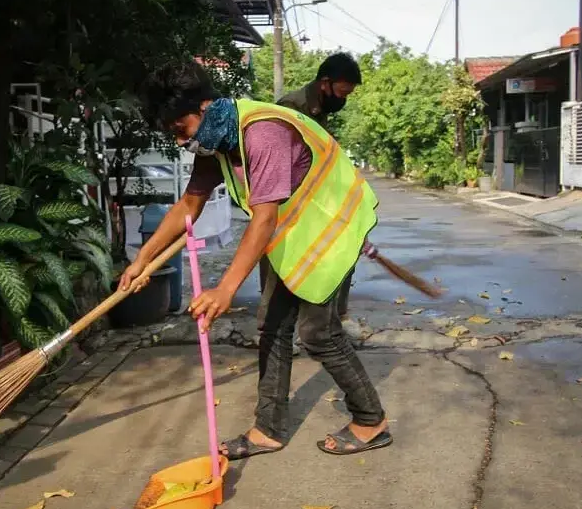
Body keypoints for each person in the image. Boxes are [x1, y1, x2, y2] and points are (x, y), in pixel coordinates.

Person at [120, 60, 391, 459]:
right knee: (272, 327)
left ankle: (371, 421)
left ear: (205, 107)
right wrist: (143, 257)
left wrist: (224, 289)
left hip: (332, 229)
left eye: (180, 130)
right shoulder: (215, 141)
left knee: (319, 333)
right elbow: (189, 205)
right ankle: (269, 429)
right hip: (294, 233)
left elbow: (263, 218)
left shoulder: (263, 133)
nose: (180, 142)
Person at [276, 52, 362, 321]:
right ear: (325, 83)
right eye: (342, 92)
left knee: (345, 250)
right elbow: (287, 166)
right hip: (294, 205)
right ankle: (314, 327)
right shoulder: (293, 107)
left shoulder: (318, 109)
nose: (344, 99)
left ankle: (333, 320)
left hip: (316, 200)